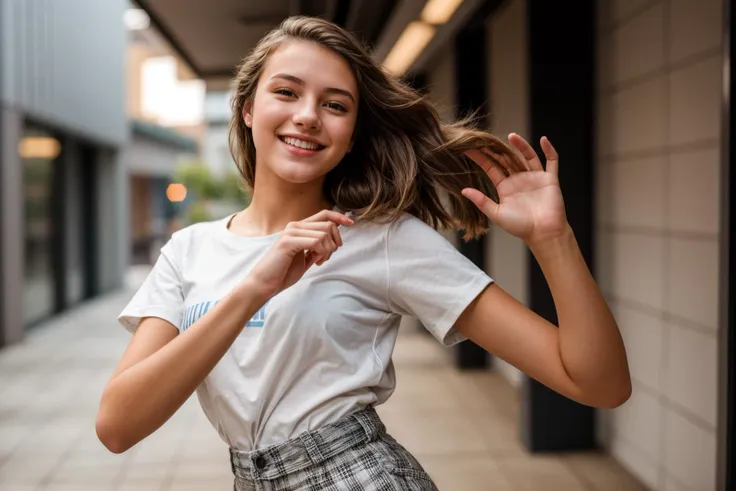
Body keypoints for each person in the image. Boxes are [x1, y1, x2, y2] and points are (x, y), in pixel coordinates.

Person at [96, 16, 631, 491]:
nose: (308, 116)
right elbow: (117, 425)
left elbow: (598, 383)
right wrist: (255, 289)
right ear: (246, 108)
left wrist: (552, 240)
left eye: (334, 105)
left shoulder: (384, 239)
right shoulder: (190, 250)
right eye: (286, 92)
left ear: (351, 136)